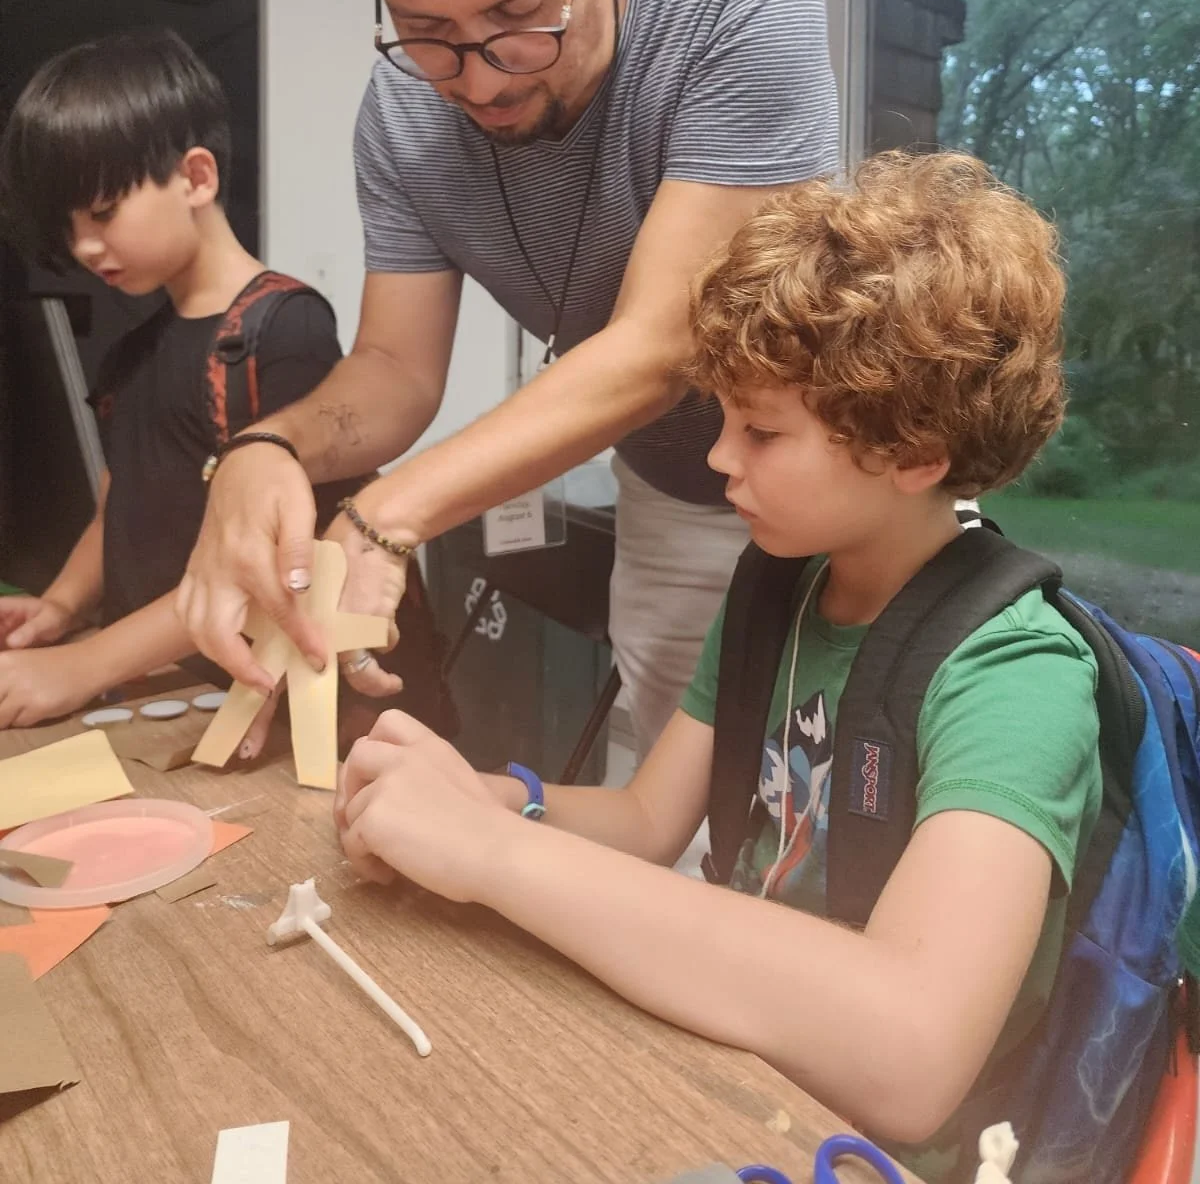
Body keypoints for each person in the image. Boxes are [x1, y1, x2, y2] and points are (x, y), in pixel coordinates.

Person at [332, 151, 1102, 1183]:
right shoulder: (779, 588)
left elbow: (912, 1053)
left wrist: (492, 853)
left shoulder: (1015, 672)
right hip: (729, 1065)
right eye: (726, 419)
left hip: (872, 1150)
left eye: (763, 432)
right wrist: (489, 798)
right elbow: (647, 820)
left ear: (916, 450)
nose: (718, 459)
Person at [177, 0, 840, 757]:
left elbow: (662, 342)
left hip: (847, 488)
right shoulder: (401, 115)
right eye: (428, 30)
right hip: (674, 494)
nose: (480, 79)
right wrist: (269, 447)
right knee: (672, 792)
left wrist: (385, 514)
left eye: (519, 13)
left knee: (844, 804)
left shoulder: (739, 3)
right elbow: (395, 370)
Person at [0, 28, 402, 728]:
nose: (84, 245)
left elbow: (287, 558)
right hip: (164, 694)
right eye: (69, 226)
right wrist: (60, 606)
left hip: (268, 705)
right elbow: (117, 506)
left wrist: (84, 665)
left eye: (102, 212)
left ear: (195, 178)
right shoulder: (130, 355)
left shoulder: (282, 328)